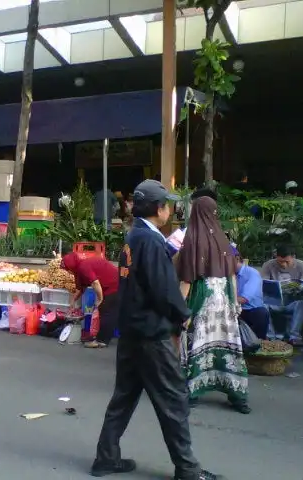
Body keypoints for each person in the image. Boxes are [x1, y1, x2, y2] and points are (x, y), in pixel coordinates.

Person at [91, 180, 221, 480]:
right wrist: (183, 315)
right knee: (174, 401)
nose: (171, 209)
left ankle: (106, 458)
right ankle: (188, 469)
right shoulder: (149, 241)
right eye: (168, 204)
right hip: (152, 334)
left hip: (132, 331)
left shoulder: (135, 237)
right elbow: (164, 290)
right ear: (158, 209)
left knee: (123, 397)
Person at [175, 196, 250, 415]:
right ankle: (238, 396)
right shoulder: (223, 239)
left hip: (203, 297)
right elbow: (232, 276)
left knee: (198, 344)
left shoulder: (193, 239)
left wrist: (179, 308)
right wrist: (234, 302)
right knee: (228, 344)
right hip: (224, 299)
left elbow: (187, 280)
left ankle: (194, 392)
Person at [61, 252, 118, 348]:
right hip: (109, 286)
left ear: (71, 266)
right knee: (105, 310)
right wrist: (72, 301)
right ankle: (99, 337)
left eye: (67, 269)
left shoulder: (83, 267)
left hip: (114, 284)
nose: (68, 272)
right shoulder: (78, 270)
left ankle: (101, 341)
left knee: (106, 311)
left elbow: (95, 283)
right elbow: (80, 289)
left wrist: (100, 299)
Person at [261, 245, 303, 345]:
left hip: (292, 303)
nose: (283, 264)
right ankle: (270, 336)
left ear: (293, 257)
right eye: (280, 261)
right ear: (276, 257)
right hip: (274, 302)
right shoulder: (268, 265)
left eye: (287, 262)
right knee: (260, 303)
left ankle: (294, 336)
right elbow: (263, 283)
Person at [235, 251, 270, 340]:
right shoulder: (225, 274)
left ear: (237, 259)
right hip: (233, 308)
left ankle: (258, 342)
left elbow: (243, 299)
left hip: (249, 310)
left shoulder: (252, 273)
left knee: (262, 313)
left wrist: (220, 300)